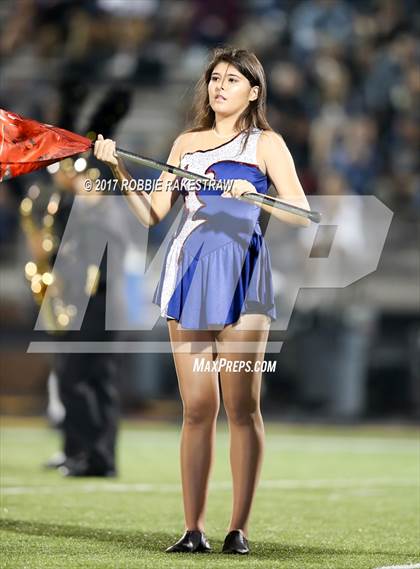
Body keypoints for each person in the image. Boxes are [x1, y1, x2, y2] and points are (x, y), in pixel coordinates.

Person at [94, 47, 310, 555]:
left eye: (233, 79)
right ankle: (193, 529)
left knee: (241, 407)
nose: (220, 86)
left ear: (254, 91)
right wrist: (119, 167)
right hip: (189, 276)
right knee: (196, 408)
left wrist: (253, 195)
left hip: (243, 279)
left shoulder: (267, 144)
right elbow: (153, 213)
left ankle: (238, 529)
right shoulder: (186, 144)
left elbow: (302, 213)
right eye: (215, 77)